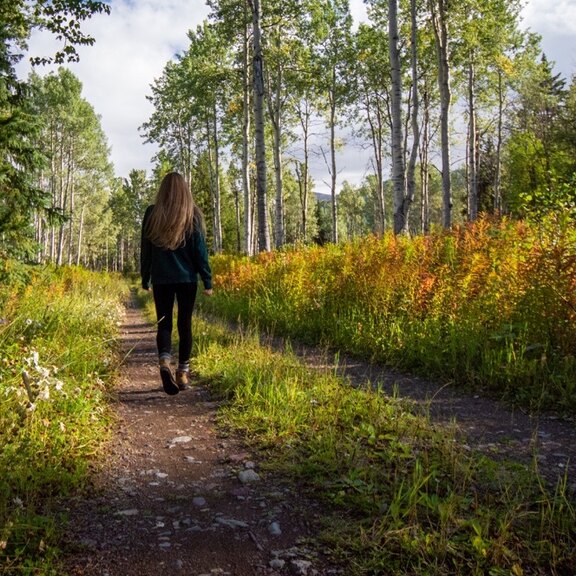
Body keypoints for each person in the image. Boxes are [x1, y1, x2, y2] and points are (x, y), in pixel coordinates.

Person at [140, 172, 213, 395]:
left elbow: (146, 250)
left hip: (162, 279)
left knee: (164, 323)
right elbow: (200, 251)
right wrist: (207, 279)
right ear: (185, 190)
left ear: (162, 190)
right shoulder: (192, 215)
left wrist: (145, 277)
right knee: (184, 324)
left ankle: (164, 363)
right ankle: (182, 372)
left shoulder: (152, 213)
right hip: (187, 280)